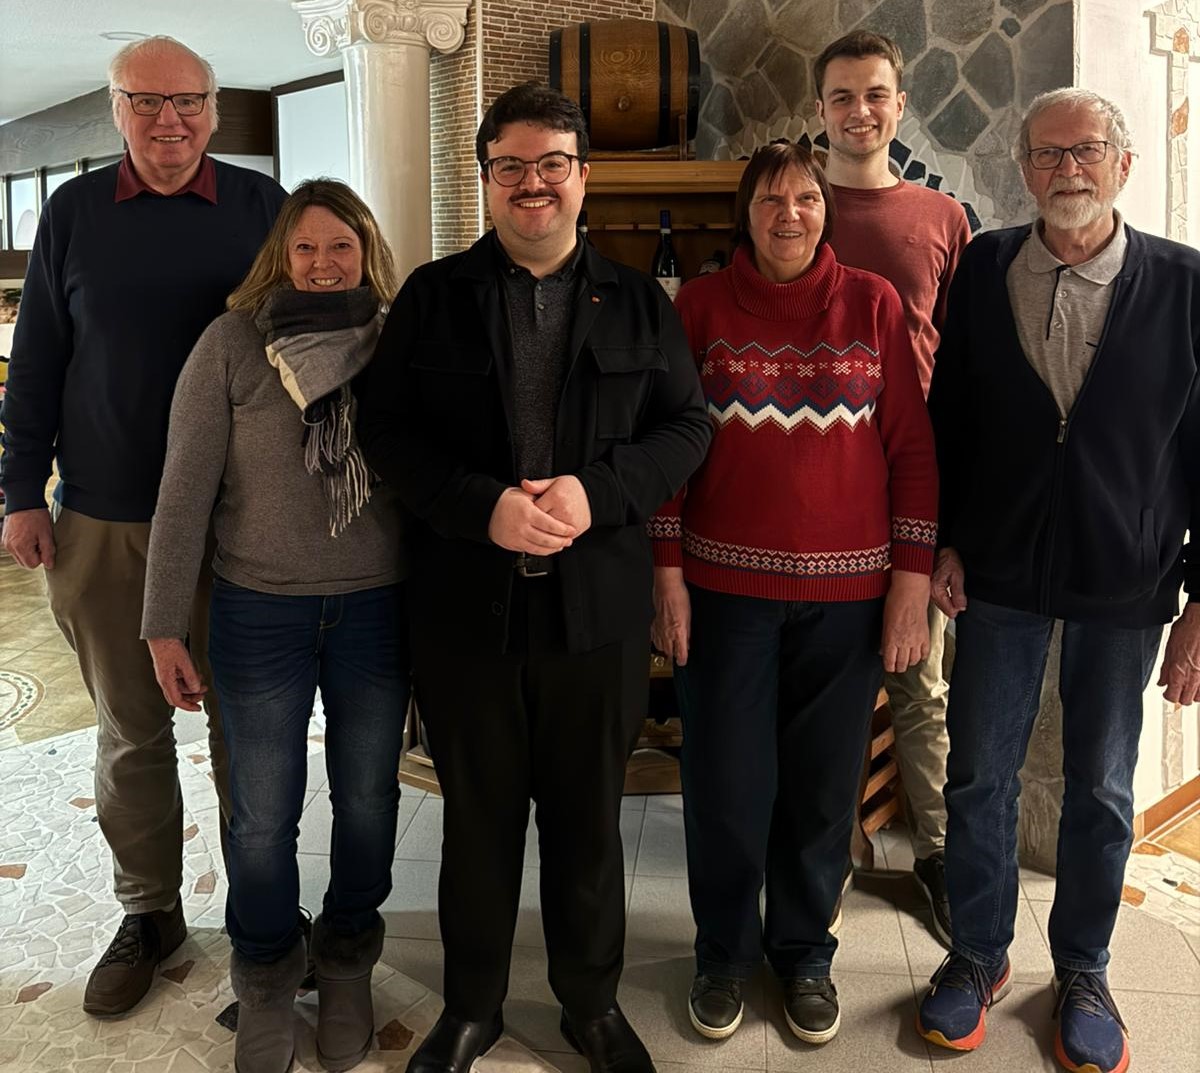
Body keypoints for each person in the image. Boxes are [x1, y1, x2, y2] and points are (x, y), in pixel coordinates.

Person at [356, 83, 711, 1073]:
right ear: (486, 179)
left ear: (584, 177)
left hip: (595, 609)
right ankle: (471, 1004)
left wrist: (600, 493)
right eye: (510, 164)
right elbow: (385, 429)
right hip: (467, 608)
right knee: (477, 817)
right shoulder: (432, 297)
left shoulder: (641, 299)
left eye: (553, 162)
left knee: (588, 818)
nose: (533, 182)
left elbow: (688, 427)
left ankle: (589, 1003)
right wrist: (482, 504)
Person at [916, 88, 1200, 1073]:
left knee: (1105, 789)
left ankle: (1082, 965)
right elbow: (950, 414)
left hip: (1128, 575)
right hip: (996, 569)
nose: (1066, 167)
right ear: (1024, 168)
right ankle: (977, 951)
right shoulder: (987, 264)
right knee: (979, 773)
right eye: (1046, 153)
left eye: (1087, 148)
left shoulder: (1184, 281)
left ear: (1123, 162)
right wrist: (945, 538)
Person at [0, 36, 285, 1015]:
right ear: (115, 108)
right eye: (146, 103)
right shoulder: (75, 213)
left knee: (251, 737)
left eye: (189, 103)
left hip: (243, 523)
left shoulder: (261, 207)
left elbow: (314, 344)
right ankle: (151, 910)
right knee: (131, 732)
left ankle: (262, 923)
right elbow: (35, 361)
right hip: (108, 520)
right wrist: (20, 492)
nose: (170, 121)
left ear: (213, 105)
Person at [649, 140, 938, 1045]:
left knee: (821, 790)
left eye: (806, 197)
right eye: (771, 198)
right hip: (722, 592)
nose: (790, 213)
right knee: (727, 785)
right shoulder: (697, 308)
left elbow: (912, 452)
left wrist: (909, 585)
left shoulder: (874, 304)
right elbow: (664, 451)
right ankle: (723, 956)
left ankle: (805, 951)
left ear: (826, 209)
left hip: (849, 601)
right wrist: (666, 575)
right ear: (746, 211)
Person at [141, 179, 408, 1073]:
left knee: (369, 798)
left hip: (377, 606)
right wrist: (163, 625)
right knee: (261, 815)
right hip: (259, 611)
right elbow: (183, 491)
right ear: (279, 257)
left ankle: (345, 959)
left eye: (342, 247)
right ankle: (262, 971)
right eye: (306, 248)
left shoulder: (400, 342)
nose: (324, 264)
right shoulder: (231, 345)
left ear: (368, 253)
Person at [813, 29, 971, 945]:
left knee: (921, 685)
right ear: (821, 108)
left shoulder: (940, 219)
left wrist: (952, 522)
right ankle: (831, 846)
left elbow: (956, 369)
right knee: (834, 687)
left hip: (911, 486)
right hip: (817, 489)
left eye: (875, 94)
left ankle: (939, 855)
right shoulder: (794, 204)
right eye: (842, 95)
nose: (859, 110)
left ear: (899, 105)